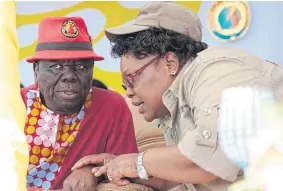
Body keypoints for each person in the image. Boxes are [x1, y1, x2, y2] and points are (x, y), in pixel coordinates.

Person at [72, 1, 283, 191]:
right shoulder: (175, 103)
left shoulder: (217, 71)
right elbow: (174, 178)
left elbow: (203, 160)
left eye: (131, 79)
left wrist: (136, 162)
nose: (128, 91)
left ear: (170, 63)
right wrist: (116, 167)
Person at [21, 16, 138, 191]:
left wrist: (94, 171)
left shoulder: (111, 106)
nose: (69, 75)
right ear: (36, 69)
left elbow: (128, 170)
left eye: (81, 67)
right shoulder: (15, 105)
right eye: (56, 67)